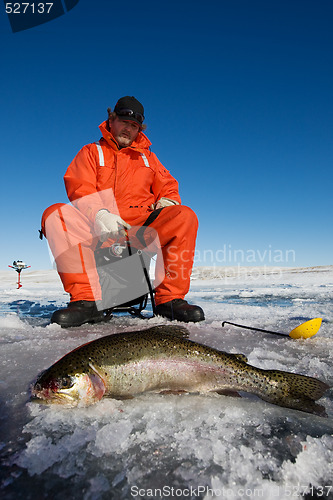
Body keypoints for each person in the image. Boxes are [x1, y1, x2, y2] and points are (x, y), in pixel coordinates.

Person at [41, 96, 204, 327]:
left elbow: (168, 184)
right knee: (55, 214)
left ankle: (169, 300)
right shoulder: (91, 152)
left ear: (140, 129)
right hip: (98, 229)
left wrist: (168, 200)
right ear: (112, 119)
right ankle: (87, 301)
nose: (128, 129)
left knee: (184, 216)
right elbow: (80, 185)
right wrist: (100, 214)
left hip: (139, 231)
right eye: (124, 122)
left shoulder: (148, 158)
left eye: (134, 126)